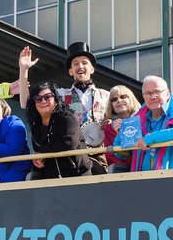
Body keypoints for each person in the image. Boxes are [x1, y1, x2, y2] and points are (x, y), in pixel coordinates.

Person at [18, 43, 111, 174]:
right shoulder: (61, 95)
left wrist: (110, 124)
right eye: (75, 63)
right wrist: (23, 70)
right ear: (70, 71)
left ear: (92, 68)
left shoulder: (106, 96)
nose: (80, 66)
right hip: (71, 158)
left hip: (100, 155)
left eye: (84, 63)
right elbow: (27, 103)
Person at [27, 82, 92, 179]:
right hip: (51, 180)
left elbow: (69, 144)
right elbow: (39, 151)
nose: (43, 101)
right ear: (34, 103)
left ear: (56, 99)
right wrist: (37, 159)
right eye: (38, 99)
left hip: (78, 176)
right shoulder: (35, 125)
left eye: (47, 97)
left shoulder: (67, 117)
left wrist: (43, 154)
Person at [130, 76, 173, 171]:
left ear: (167, 93)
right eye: (148, 93)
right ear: (143, 96)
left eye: (157, 92)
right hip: (141, 179)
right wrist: (120, 132)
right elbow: (121, 153)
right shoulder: (136, 118)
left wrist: (150, 138)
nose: (153, 97)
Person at [102, 85, 139, 170]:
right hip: (123, 170)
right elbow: (110, 156)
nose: (119, 101)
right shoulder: (108, 128)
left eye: (123, 97)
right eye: (114, 99)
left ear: (131, 99)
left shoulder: (143, 118)